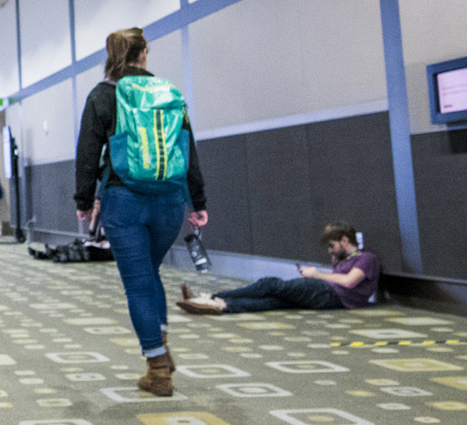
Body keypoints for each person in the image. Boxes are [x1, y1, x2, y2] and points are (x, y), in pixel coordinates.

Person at [75, 28, 207, 396]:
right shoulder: (169, 93)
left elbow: (87, 153)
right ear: (144, 53)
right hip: (169, 202)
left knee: (138, 283)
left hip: (124, 200)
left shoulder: (104, 95)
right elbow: (187, 148)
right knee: (150, 273)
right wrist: (198, 202)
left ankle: (158, 368)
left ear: (111, 55)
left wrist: (84, 201)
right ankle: (161, 347)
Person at [178, 224, 380, 314]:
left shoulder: (366, 258)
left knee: (270, 284)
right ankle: (223, 305)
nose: (330, 250)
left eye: (332, 245)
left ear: (345, 240)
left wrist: (315, 274)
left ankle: (212, 297)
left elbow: (349, 281)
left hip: (330, 294)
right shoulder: (344, 260)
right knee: (274, 301)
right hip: (326, 294)